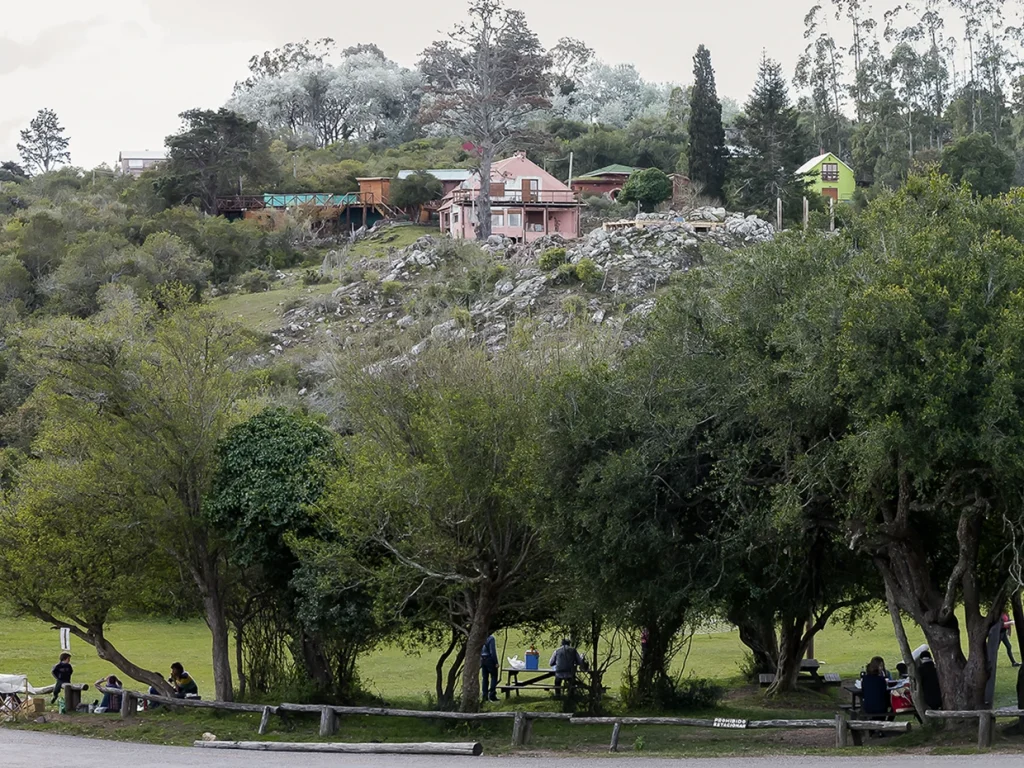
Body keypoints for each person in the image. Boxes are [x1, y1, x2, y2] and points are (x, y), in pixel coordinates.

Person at [480, 633, 499, 703]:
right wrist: (496, 662)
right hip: (489, 659)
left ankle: (484, 696)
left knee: (485, 678)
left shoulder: (481, 637)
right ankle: (492, 695)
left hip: (482, 659)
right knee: (494, 676)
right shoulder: (491, 638)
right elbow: (492, 652)